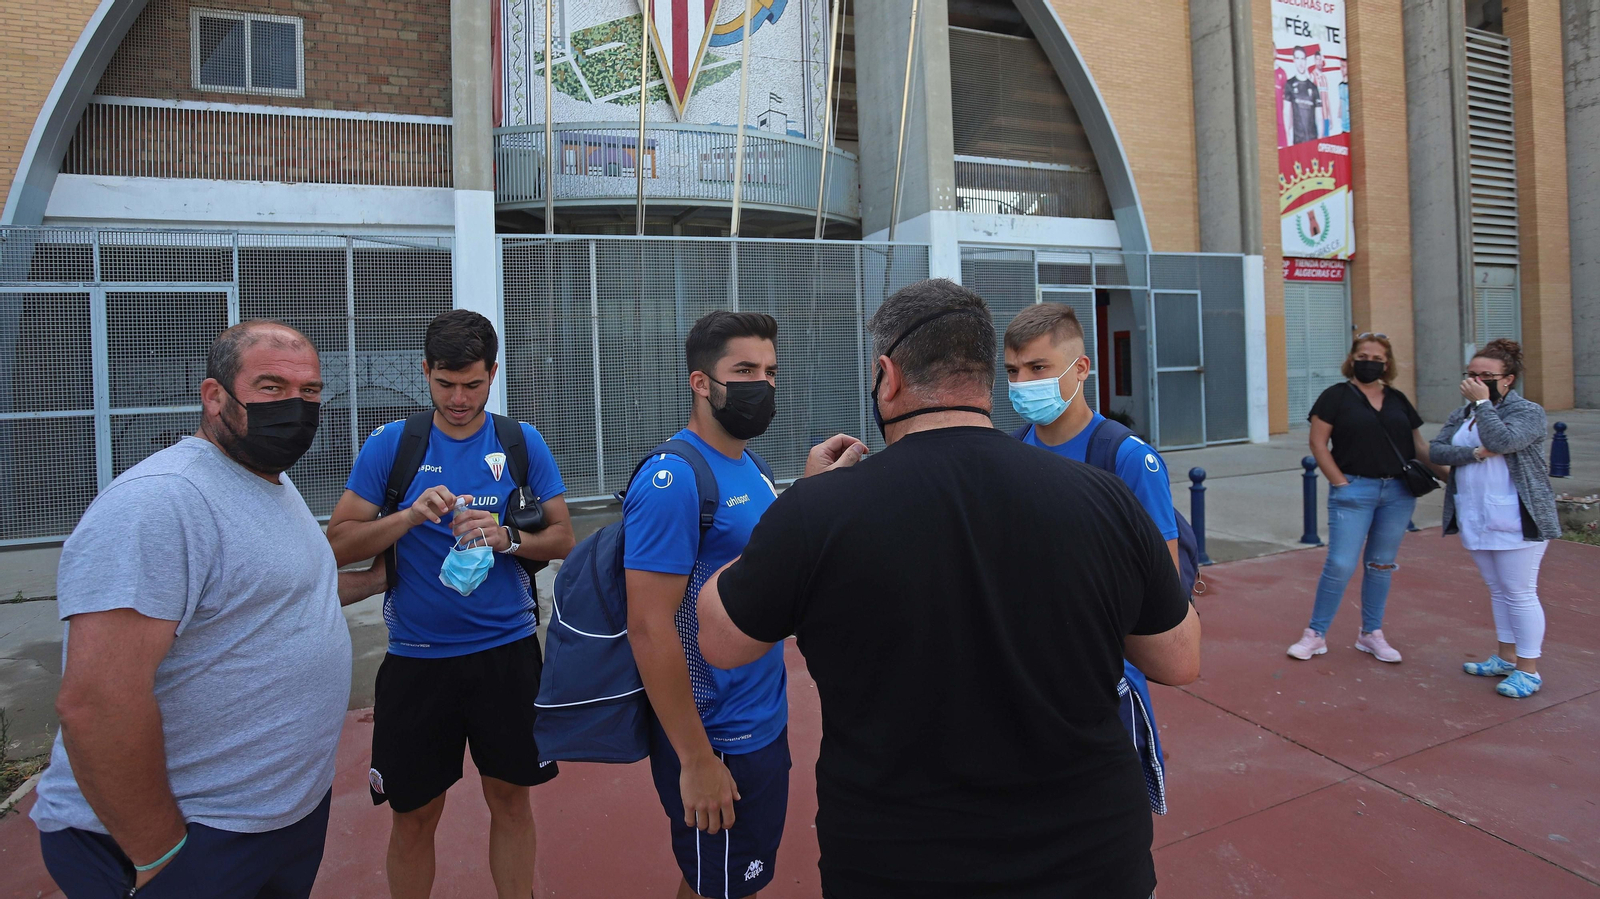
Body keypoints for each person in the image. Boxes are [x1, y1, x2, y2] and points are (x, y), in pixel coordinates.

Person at [695, 279, 1201, 899]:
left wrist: (792, 510)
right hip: (1093, 860)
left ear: (888, 375)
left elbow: (719, 638)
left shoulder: (820, 513)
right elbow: (1179, 658)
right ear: (988, 378)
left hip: (898, 866)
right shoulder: (1103, 498)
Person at [32, 321, 386, 899]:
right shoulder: (161, 502)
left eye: (311, 392)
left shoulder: (270, 482)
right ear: (214, 395)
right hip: (191, 835)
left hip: (276, 817)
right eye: (271, 388)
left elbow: (277, 600)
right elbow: (95, 703)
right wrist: (160, 854)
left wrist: (377, 578)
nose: (295, 407)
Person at [326, 310, 575, 899]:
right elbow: (336, 545)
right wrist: (409, 515)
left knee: (510, 802)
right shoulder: (394, 444)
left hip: (507, 657)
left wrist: (507, 537)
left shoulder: (519, 441)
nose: (458, 398)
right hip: (417, 663)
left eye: (472, 384)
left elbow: (563, 537)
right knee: (414, 816)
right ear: (425, 372)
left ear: (493, 373)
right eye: (445, 383)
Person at [623, 310, 865, 899]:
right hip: (718, 733)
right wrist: (696, 758)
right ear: (701, 382)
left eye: (771, 370)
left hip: (760, 721)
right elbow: (649, 627)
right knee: (724, 888)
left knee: (720, 883)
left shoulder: (749, 467)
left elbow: (763, 567)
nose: (764, 384)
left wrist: (810, 494)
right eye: (746, 370)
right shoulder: (672, 480)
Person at [1290, 332, 1443, 663]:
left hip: (1399, 493)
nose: (1369, 363)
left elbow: (1419, 445)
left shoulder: (1398, 399)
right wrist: (1341, 483)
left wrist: (1452, 476)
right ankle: (1315, 634)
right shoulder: (1335, 396)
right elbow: (1318, 444)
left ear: (1386, 364)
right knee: (1340, 564)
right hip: (1354, 490)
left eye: (1377, 359)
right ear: (1352, 359)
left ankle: (1371, 634)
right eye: (1363, 356)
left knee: (1380, 565)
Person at [1428, 339, 1561, 698]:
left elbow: (1501, 441)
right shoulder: (1462, 414)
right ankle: (1506, 658)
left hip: (1519, 517)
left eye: (1486, 375)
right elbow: (1437, 449)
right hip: (1476, 514)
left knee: (1520, 593)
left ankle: (1528, 670)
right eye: (1471, 374)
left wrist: (1484, 404)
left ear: (1508, 380)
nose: (1476, 380)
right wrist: (1472, 452)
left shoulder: (1527, 412)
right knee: (1498, 590)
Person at [1283, 46, 1324, 147]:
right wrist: (1289, 141)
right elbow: (1286, 114)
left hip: (1312, 140)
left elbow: (1319, 117)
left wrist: (1320, 140)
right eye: (1297, 58)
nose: (1300, 63)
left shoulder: (1313, 87)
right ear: (1294, 60)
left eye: (1302, 59)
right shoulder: (1289, 84)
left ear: (1306, 61)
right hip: (1297, 141)